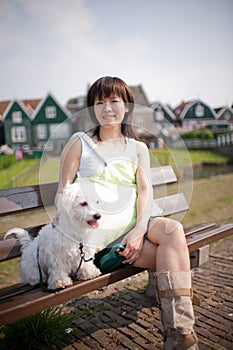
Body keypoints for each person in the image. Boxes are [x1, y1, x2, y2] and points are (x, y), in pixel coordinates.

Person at [54, 76, 199, 350]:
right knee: (173, 258)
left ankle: (180, 337)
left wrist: (138, 231)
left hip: (138, 223)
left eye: (113, 101)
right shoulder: (80, 143)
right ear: (91, 108)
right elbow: (63, 191)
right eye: (99, 102)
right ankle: (181, 338)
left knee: (173, 231)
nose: (107, 108)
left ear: (127, 106)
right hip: (102, 238)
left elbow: (145, 192)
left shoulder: (138, 148)